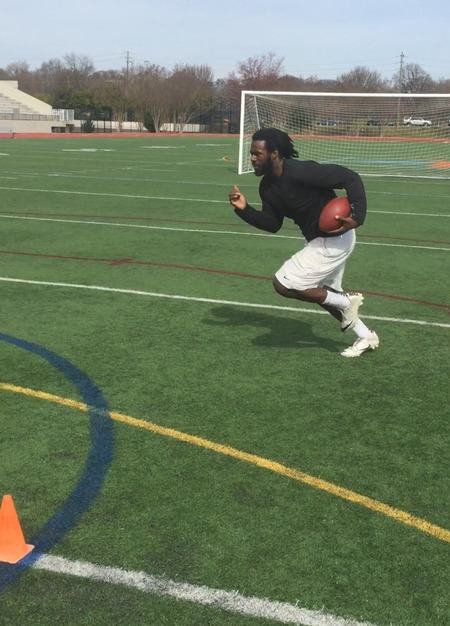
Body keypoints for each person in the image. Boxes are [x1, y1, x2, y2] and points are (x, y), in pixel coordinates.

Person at [228, 127, 379, 358]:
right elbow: (272, 223)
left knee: (283, 283)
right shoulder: (267, 187)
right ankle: (366, 335)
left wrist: (357, 217)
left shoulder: (302, 172)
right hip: (322, 241)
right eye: (252, 153)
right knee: (323, 294)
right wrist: (244, 209)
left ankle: (346, 302)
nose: (253, 158)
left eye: (257, 153)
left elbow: (350, 177)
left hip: (333, 240)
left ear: (274, 154)